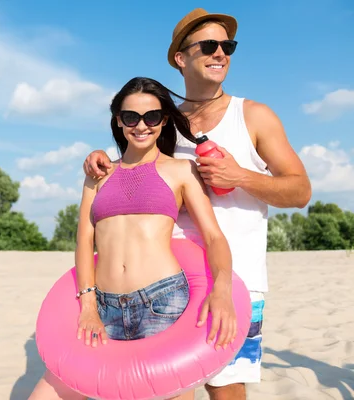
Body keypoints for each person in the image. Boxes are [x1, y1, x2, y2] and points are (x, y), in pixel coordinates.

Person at [82, 8, 312, 400]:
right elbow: (129, 166)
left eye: (228, 46)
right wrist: (96, 157)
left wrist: (239, 177)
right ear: (180, 58)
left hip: (236, 279)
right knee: (167, 390)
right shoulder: (162, 121)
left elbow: (300, 191)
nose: (221, 53)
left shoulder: (253, 116)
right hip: (165, 284)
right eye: (209, 45)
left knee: (226, 388)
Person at [29, 77, 237, 400]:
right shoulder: (97, 175)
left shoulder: (182, 171)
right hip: (103, 305)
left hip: (163, 303)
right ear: (118, 120)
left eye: (152, 117)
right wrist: (88, 303)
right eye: (131, 117)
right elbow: (85, 240)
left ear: (164, 119)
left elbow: (214, 238)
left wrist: (222, 288)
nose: (142, 125)